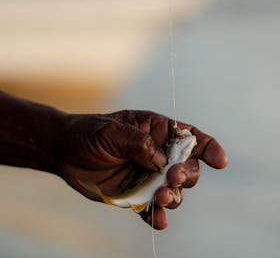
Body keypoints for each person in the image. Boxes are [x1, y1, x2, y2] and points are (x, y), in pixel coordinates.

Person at [0, 91, 227, 229]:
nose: (183, 141)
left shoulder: (164, 164)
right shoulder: (160, 161)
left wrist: (64, 144)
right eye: (177, 143)